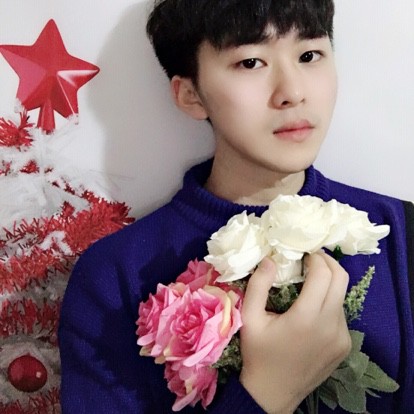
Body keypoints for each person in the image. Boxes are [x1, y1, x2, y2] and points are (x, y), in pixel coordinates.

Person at [58, 1, 414, 413]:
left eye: (309, 55)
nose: (293, 92)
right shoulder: (114, 276)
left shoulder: (397, 231)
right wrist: (267, 392)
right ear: (192, 95)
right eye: (250, 62)